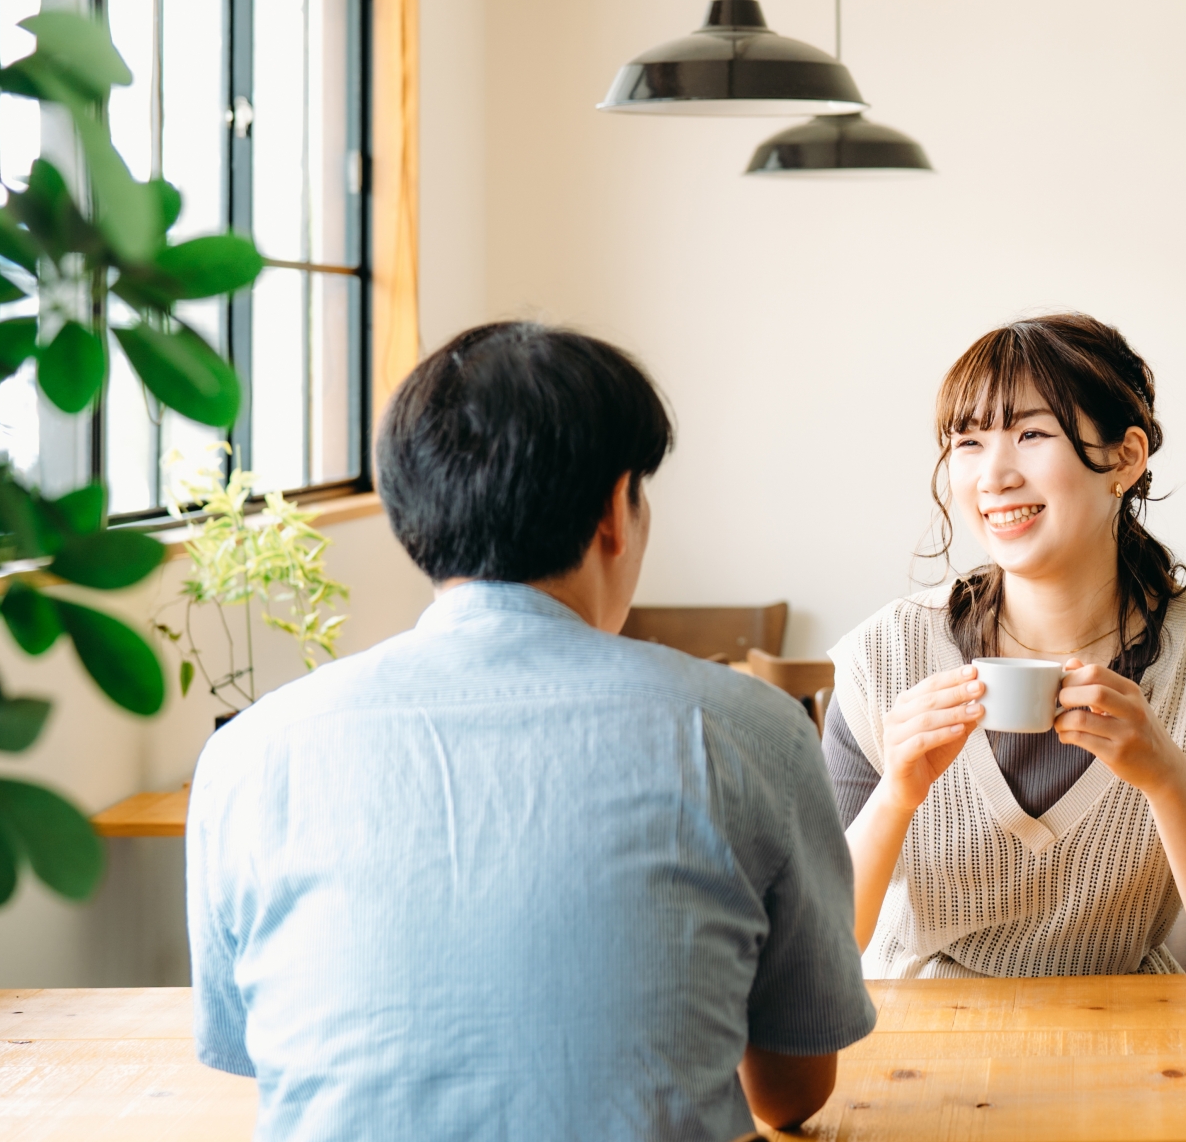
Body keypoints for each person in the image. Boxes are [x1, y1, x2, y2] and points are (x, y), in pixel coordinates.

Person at [187, 321, 874, 1141]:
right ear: (618, 509)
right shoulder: (749, 728)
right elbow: (791, 1089)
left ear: (414, 517)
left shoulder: (247, 753)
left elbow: (256, 1057)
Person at [826, 313, 1186, 981]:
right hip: (922, 1049)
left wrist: (1166, 774)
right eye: (969, 441)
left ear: (1125, 459)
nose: (995, 475)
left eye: (1031, 434)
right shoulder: (885, 657)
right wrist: (898, 793)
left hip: (1138, 1047)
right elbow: (816, 945)